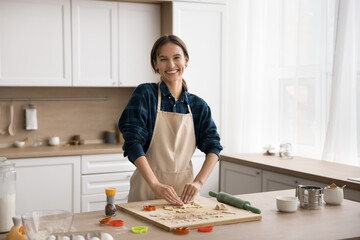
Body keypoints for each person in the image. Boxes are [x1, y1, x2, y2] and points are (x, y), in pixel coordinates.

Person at [118, 35, 223, 206]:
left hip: (184, 199)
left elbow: (214, 147)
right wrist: (155, 184)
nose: (171, 65)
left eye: (176, 58)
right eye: (163, 59)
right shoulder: (145, 95)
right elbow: (132, 143)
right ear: (155, 64)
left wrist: (198, 183)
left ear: (186, 61)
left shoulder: (198, 106)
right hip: (146, 192)